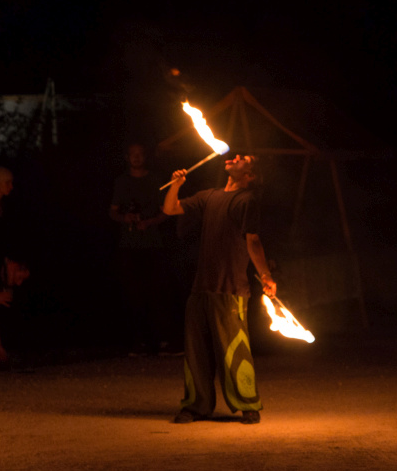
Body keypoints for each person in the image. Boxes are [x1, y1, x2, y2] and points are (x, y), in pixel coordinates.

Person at [162, 154, 276, 424]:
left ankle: (248, 404)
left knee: (235, 349)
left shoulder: (247, 200)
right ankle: (196, 406)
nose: (235, 157)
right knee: (196, 351)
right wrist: (175, 185)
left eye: (244, 159)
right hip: (201, 286)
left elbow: (253, 240)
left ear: (250, 175)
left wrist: (265, 274)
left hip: (231, 287)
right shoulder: (209, 196)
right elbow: (170, 209)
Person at [109, 143, 172, 354]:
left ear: (145, 156)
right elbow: (112, 212)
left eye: (140, 154)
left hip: (152, 244)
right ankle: (138, 342)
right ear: (127, 157)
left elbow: (166, 211)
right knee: (133, 293)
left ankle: (161, 341)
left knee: (156, 292)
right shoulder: (121, 182)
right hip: (129, 245)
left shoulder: (154, 180)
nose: (136, 158)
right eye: (132, 154)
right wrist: (125, 218)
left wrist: (149, 222)